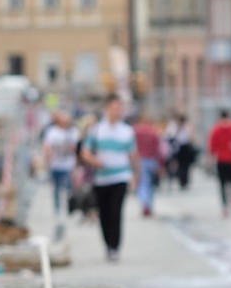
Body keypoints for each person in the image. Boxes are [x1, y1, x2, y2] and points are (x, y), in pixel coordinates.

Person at [81, 93, 139, 260]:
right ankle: (107, 244)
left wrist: (136, 174)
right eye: (114, 107)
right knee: (104, 213)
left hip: (120, 176)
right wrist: (94, 160)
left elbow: (133, 154)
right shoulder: (97, 130)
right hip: (101, 179)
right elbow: (85, 152)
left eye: (119, 108)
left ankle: (115, 246)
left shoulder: (127, 131)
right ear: (106, 109)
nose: (117, 111)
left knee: (116, 211)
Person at [42, 109, 80, 217]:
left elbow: (77, 148)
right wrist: (48, 156)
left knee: (68, 188)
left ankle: (68, 208)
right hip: (56, 165)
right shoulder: (52, 131)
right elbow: (47, 146)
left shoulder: (73, 131)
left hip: (69, 165)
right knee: (57, 189)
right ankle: (57, 210)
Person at [132, 112, 162, 216]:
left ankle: (145, 203)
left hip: (141, 160)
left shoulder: (136, 131)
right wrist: (160, 164)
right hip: (152, 160)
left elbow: (132, 148)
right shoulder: (154, 132)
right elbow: (158, 150)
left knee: (143, 184)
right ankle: (148, 204)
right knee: (150, 185)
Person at [172, 114, 198, 189]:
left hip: (183, 148)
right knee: (184, 166)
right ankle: (183, 181)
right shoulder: (180, 128)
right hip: (183, 148)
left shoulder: (181, 127)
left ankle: (183, 181)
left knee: (184, 166)